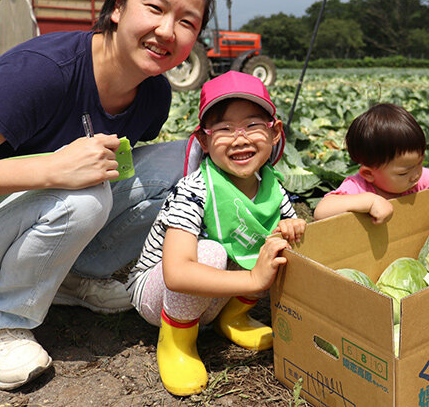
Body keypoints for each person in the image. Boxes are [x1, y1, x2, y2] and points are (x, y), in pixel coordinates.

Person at [0, 0, 213, 390]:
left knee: (187, 162)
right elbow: (68, 180)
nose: (167, 30)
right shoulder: (43, 72)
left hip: (28, 218)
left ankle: (67, 278)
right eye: (156, 8)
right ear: (118, 7)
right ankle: (0, 320)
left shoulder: (153, 97)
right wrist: (51, 169)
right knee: (83, 194)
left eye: (187, 22)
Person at [126, 71, 304, 396]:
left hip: (215, 295)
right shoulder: (194, 190)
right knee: (210, 253)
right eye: (224, 129)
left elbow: (287, 234)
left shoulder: (273, 188)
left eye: (252, 125)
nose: (240, 139)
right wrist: (253, 281)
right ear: (205, 142)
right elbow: (177, 274)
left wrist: (291, 229)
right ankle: (177, 343)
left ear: (275, 132)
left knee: (279, 245)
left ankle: (233, 318)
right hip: (160, 293)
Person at [313, 103, 429, 232]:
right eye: (403, 172)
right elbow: (321, 212)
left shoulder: (419, 178)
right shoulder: (358, 187)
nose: (415, 175)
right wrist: (370, 201)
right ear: (368, 173)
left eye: (420, 163)